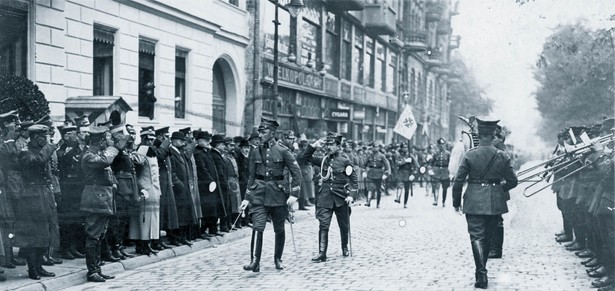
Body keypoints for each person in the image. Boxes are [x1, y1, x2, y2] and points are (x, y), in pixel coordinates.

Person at [452, 118, 518, 289]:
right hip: (495, 201)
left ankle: (481, 273)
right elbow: (513, 181)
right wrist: (497, 188)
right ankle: (482, 270)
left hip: (473, 199)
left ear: (479, 135)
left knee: (476, 236)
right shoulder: (502, 155)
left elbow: (458, 181)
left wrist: (456, 203)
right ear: (492, 134)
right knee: (488, 236)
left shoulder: (470, 154)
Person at [240, 117, 302, 272]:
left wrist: (294, 194)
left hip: (278, 195)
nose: (260, 135)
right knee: (257, 227)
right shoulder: (255, 151)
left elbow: (296, 172)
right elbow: (252, 176)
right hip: (259, 195)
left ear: (272, 133)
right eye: (259, 132)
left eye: (263, 132)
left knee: (279, 229)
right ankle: (255, 261)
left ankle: (278, 258)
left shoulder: (282, 150)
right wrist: (247, 198)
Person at [298, 133, 358, 262]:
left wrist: (351, 196)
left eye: (332, 145)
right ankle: (322, 253)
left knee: (344, 225)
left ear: (338, 146)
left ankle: (344, 247)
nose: (329, 147)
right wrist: (313, 146)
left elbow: (354, 180)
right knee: (323, 225)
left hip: (341, 197)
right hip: (325, 197)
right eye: (327, 145)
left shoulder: (345, 161)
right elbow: (304, 159)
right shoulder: (323, 160)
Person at [80, 126, 119, 282]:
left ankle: (97, 269)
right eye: (107, 139)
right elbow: (105, 161)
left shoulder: (97, 154)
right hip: (95, 200)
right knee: (93, 236)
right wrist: (113, 147)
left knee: (100, 236)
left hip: (103, 200)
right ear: (101, 141)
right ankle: (92, 271)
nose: (109, 141)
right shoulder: (88, 156)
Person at [362, 142, 391, 208]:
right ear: (372, 148)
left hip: (379, 174)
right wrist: (364, 172)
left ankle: (378, 203)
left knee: (379, 190)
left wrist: (386, 174)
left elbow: (387, 166)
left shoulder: (382, 156)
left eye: (376, 147)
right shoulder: (369, 155)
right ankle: (368, 201)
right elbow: (364, 165)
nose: (375, 148)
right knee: (370, 188)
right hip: (371, 173)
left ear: (378, 148)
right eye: (374, 147)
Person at [430, 138, 451, 207]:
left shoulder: (448, 153)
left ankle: (443, 202)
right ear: (438, 145)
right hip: (437, 172)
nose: (442, 146)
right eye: (440, 144)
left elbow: (450, 163)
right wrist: (431, 170)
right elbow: (432, 163)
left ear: (445, 144)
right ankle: (435, 200)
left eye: (443, 144)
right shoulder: (435, 153)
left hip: (445, 172)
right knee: (436, 187)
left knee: (445, 188)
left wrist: (450, 172)